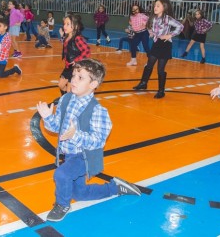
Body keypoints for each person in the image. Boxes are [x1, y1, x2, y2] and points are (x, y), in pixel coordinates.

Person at [36, 58, 142, 222]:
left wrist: (75, 135)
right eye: (73, 76)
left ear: (93, 84)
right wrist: (48, 118)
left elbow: (98, 142)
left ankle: (62, 205)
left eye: (80, 77)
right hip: (69, 154)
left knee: (62, 175)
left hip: (84, 156)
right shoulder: (65, 100)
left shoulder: (98, 111)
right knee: (80, 194)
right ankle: (115, 187)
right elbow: (57, 128)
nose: (73, 80)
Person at [133, 0, 184, 98]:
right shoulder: (153, 18)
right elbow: (149, 27)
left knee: (160, 69)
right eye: (155, 5)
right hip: (156, 43)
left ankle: (161, 91)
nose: (155, 7)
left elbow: (180, 26)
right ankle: (143, 83)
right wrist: (152, 33)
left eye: (158, 6)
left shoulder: (167, 18)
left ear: (164, 7)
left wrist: (170, 35)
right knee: (149, 64)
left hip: (165, 44)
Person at [58, 14, 90, 95]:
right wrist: (62, 36)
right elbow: (67, 46)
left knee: (69, 90)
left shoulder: (77, 38)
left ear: (75, 26)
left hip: (75, 68)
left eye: (68, 24)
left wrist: (77, 60)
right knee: (61, 85)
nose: (65, 26)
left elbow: (87, 50)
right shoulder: (67, 36)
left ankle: (67, 102)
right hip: (68, 67)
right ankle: (66, 99)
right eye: (64, 24)